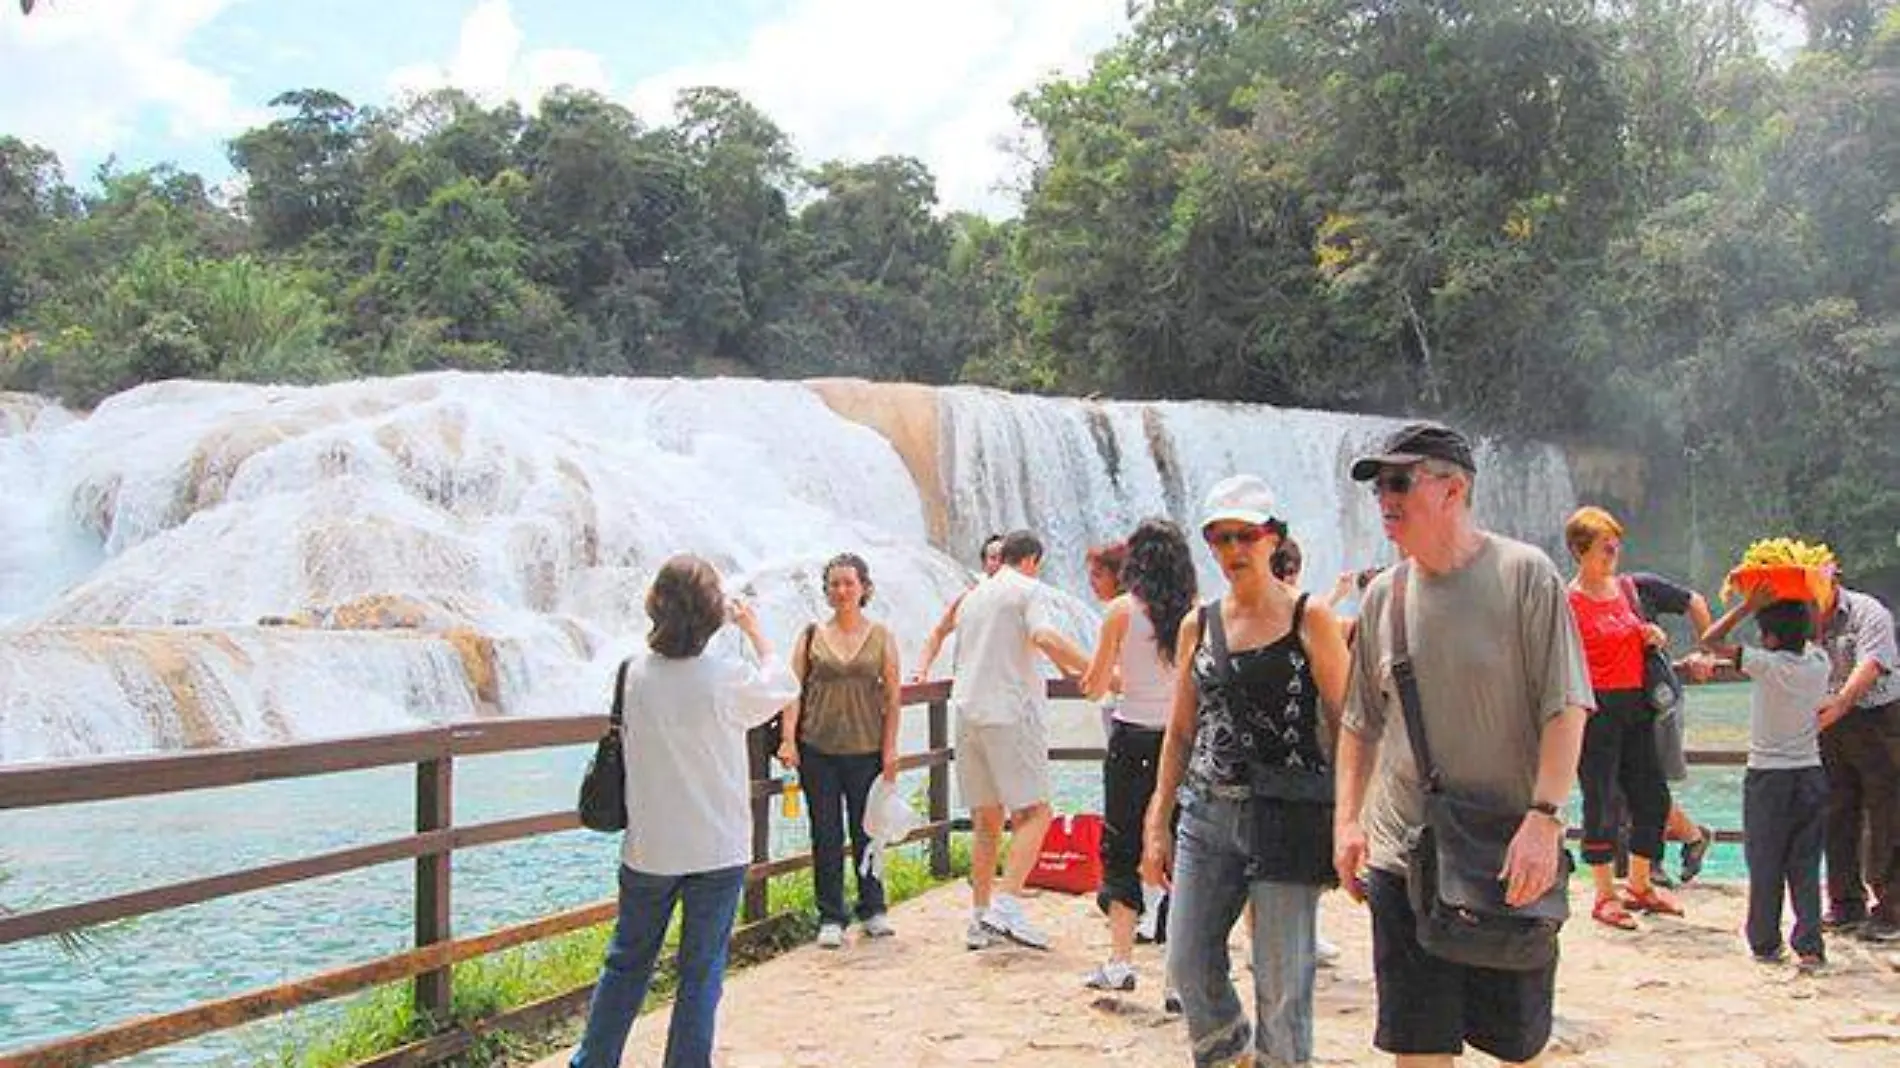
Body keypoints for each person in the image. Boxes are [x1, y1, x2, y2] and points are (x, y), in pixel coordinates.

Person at [1333, 421, 1590, 1067]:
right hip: (1405, 856)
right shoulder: (1382, 598)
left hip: (1506, 854)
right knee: (1418, 1048)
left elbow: (1566, 707)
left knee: (1516, 1047)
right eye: (1378, 487)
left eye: (1399, 481)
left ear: (1454, 489)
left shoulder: (1525, 575)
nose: (1385, 499)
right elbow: (1360, 722)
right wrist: (1346, 821)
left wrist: (1544, 818)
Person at [1142, 476, 1352, 1068]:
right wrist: (1159, 817)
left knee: (1284, 980)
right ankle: (1232, 1053)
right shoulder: (1198, 625)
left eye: (1245, 535)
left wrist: (1351, 816)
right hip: (1207, 812)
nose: (1233, 549)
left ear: (1272, 539)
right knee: (1186, 960)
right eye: (1219, 537)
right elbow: (1181, 730)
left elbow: (1347, 723)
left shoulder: (1311, 620)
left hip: (1286, 813)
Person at [569, 556, 798, 1068]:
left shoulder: (633, 674)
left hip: (651, 847)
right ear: (712, 613)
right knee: (700, 973)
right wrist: (757, 631)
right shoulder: (726, 677)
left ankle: (593, 1061)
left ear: (657, 606)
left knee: (626, 963)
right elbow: (784, 685)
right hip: (717, 847)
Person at [950, 529, 1091, 950]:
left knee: (985, 821)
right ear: (1032, 560)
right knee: (1036, 813)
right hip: (1010, 712)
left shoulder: (974, 597)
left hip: (967, 712)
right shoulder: (1029, 591)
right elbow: (1044, 638)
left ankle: (979, 916)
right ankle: (1006, 905)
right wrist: (1094, 669)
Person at [1079, 520, 1196, 992]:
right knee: (1184, 847)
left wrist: (1110, 679)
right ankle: (1177, 978)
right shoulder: (1194, 613)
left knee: (1123, 844)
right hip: (1181, 740)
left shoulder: (1120, 611)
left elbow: (1092, 685)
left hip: (1131, 741)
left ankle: (1121, 961)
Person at [1701, 586, 1833, 970]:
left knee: (1765, 861)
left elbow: (1710, 640)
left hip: (1768, 778)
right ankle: (1809, 945)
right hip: (1810, 772)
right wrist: (1809, 593)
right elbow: (1813, 634)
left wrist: (1746, 606)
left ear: (1770, 637)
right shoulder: (1820, 662)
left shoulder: (1766, 665)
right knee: (1805, 864)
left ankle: (1764, 940)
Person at [1561, 506, 1682, 928]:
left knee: (1652, 795)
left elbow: (1639, 637)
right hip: (1596, 710)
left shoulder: (1625, 591)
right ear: (1581, 551)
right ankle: (1603, 894)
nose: (1613, 555)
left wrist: (1654, 636)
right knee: (1602, 799)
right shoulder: (1568, 602)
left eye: (1616, 547)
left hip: (1636, 704)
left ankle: (1640, 884)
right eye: (1605, 548)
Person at [776, 553, 902, 949]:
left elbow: (893, 697)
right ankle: (831, 915)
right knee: (825, 833)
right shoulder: (811, 634)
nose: (841, 590)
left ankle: (873, 908)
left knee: (869, 832)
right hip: (819, 749)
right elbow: (792, 690)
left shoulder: (881, 635)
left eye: (849, 583)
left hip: (866, 748)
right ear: (827, 591)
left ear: (864, 587)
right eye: (834, 584)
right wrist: (788, 738)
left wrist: (890, 749)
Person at [1812, 564, 1900, 940]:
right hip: (1830, 723)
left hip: (1879, 718)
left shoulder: (1868, 611)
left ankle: (1892, 908)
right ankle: (1846, 902)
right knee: (1836, 810)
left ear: (1833, 581)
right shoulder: (1800, 618)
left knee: (1889, 810)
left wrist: (1841, 701)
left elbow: (1873, 663)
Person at [1616, 566, 1719, 886]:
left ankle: (1652, 863)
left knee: (1646, 780)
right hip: (1613, 701)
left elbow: (1695, 602)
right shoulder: (1578, 597)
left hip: (1654, 698)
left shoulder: (1638, 586)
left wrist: (1707, 652)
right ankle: (1691, 836)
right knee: (1628, 781)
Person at [912, 533, 1006, 682]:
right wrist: (921, 670)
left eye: (1004, 559)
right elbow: (938, 633)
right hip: (970, 691)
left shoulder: (1021, 599)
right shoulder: (967, 601)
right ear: (984, 564)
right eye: (993, 558)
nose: (999, 564)